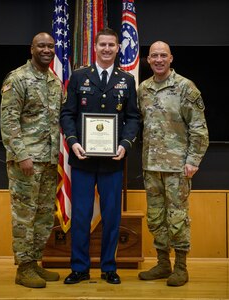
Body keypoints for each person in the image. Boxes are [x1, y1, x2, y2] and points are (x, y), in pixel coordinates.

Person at [60, 27, 140, 285]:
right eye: (102, 44)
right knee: (81, 216)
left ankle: (109, 267)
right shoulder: (79, 76)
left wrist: (125, 144)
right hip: (82, 160)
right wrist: (72, 142)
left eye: (111, 45)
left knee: (111, 217)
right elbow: (67, 114)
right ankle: (80, 268)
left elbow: (133, 118)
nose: (107, 49)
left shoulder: (126, 80)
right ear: (95, 47)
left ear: (118, 48)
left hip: (113, 162)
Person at [137, 41, 209, 286]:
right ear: (148, 59)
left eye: (162, 55)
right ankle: (162, 264)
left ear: (171, 58)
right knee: (156, 218)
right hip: (151, 166)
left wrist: (193, 161)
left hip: (178, 167)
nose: (158, 59)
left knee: (177, 217)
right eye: (154, 55)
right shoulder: (143, 89)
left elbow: (199, 128)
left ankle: (180, 267)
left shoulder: (185, 87)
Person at [0, 32, 63, 289]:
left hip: (48, 161)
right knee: (25, 215)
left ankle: (35, 262)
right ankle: (23, 268)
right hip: (26, 161)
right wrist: (22, 154)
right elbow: (9, 121)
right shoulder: (17, 78)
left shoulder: (54, 82)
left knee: (44, 215)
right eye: (41, 46)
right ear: (32, 49)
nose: (46, 49)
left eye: (50, 46)